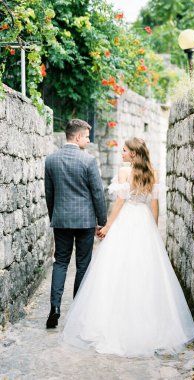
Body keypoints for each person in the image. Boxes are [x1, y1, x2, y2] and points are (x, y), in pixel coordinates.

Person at [62, 137, 194, 357]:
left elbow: (119, 203)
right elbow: (154, 205)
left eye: (124, 150)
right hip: (143, 221)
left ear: (133, 154)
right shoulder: (153, 172)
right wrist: (153, 231)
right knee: (144, 271)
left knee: (117, 269)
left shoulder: (125, 172)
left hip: (126, 220)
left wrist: (107, 226)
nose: (121, 153)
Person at [44, 119, 107, 329]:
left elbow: (49, 194)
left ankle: (54, 308)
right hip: (85, 221)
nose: (88, 141)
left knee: (60, 262)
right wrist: (102, 221)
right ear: (78, 136)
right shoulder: (88, 161)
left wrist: (55, 216)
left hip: (61, 219)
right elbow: (97, 193)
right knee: (83, 265)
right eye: (87, 137)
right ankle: (77, 312)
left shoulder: (51, 160)